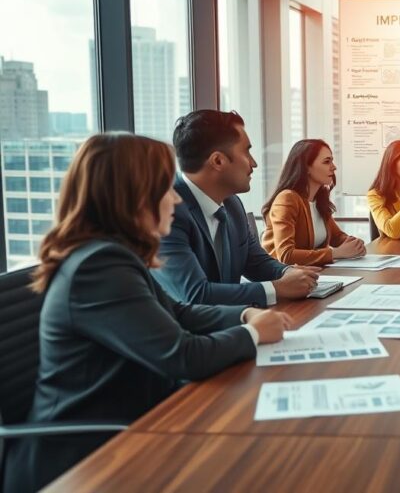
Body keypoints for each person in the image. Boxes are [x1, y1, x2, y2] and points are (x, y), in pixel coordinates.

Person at [3, 134, 292, 493]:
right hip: (83, 460)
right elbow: (183, 356)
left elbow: (178, 312)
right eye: (165, 189)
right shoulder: (99, 268)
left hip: (135, 424)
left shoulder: (114, 255)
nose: (176, 199)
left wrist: (244, 315)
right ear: (134, 196)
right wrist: (253, 334)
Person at [153, 110, 319, 307]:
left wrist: (288, 272)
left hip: (232, 319)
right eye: (247, 152)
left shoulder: (232, 203)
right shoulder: (166, 211)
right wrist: (277, 288)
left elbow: (255, 261)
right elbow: (195, 295)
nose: (254, 163)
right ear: (218, 161)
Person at [261, 139, 366, 266]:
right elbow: (286, 255)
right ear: (306, 167)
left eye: (332, 161)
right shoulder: (287, 199)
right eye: (327, 162)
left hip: (312, 272)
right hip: (284, 275)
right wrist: (335, 253)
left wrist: (354, 244)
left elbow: (337, 237)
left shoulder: (318, 199)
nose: (334, 167)